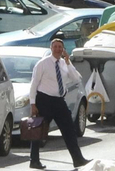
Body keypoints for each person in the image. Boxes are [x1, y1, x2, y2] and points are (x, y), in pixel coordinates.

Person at [26, 38, 85, 169]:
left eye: (60, 47)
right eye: (55, 47)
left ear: (63, 49)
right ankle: (34, 161)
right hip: (44, 100)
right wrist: (33, 104)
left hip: (59, 101)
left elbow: (76, 78)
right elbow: (34, 84)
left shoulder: (64, 63)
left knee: (69, 129)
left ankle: (78, 159)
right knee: (38, 131)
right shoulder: (43, 63)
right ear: (51, 48)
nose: (58, 49)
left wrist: (68, 62)